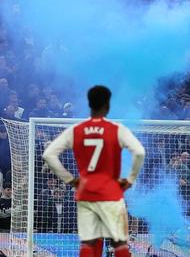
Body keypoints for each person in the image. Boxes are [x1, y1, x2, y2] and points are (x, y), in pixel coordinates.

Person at [43, 85, 146, 257]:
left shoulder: (76, 130)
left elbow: (49, 154)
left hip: (87, 193)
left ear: (90, 105)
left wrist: (71, 180)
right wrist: (130, 180)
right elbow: (139, 152)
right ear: (107, 106)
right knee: (120, 244)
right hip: (110, 192)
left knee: (90, 244)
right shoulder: (117, 129)